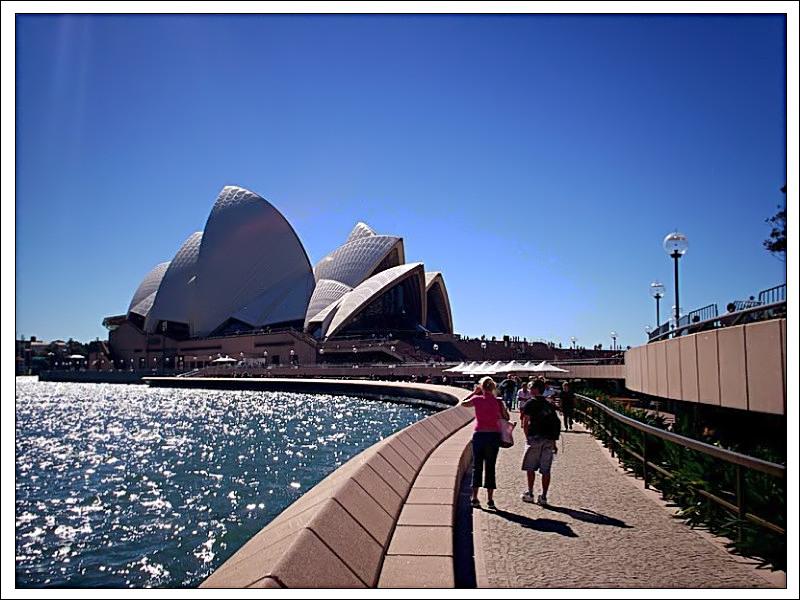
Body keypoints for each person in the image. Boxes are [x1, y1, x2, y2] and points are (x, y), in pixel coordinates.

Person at [459, 376, 509, 510]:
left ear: (481, 387)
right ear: (493, 388)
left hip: (480, 435)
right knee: (490, 467)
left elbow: (462, 403)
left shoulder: (476, 399)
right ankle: (490, 500)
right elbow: (506, 417)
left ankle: (474, 498)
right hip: (493, 436)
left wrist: (474, 393)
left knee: (477, 466)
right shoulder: (498, 401)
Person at [520, 380, 561, 505]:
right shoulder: (548, 404)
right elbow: (555, 423)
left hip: (535, 438)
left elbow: (525, 423)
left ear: (536, 389)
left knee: (530, 467)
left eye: (531, 387)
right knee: (546, 470)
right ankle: (543, 496)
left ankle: (530, 493)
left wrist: (527, 438)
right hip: (549, 439)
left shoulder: (530, 403)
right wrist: (554, 442)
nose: (530, 389)